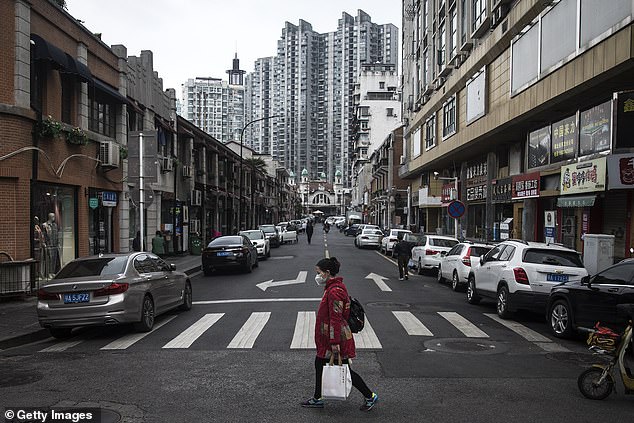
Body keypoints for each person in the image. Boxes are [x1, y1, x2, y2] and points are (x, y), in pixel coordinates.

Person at [301, 257, 379, 411]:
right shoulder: (331, 288)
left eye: (319, 272)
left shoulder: (335, 291)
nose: (317, 276)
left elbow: (336, 318)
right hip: (329, 336)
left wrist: (334, 342)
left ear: (327, 273)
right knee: (319, 363)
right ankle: (318, 397)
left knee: (344, 368)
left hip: (335, 337)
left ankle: (370, 395)